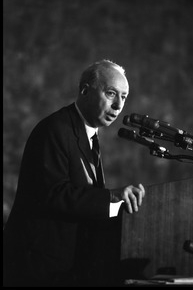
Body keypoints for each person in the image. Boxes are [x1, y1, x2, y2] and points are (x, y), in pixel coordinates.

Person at [3, 59, 145, 287]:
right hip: (36, 268)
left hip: (66, 268)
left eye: (124, 97)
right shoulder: (54, 129)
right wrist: (112, 197)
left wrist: (119, 207)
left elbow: (84, 198)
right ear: (85, 90)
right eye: (111, 93)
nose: (118, 105)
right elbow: (53, 194)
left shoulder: (88, 135)